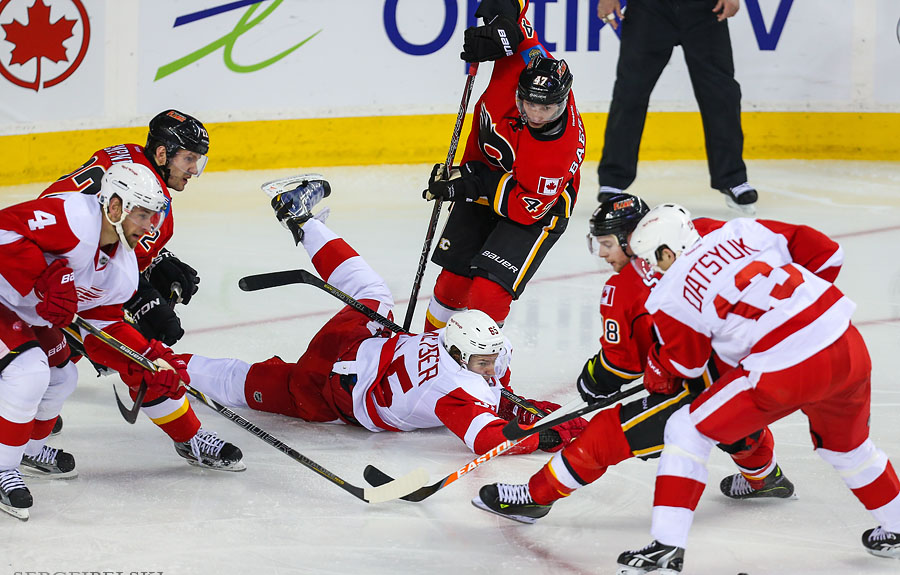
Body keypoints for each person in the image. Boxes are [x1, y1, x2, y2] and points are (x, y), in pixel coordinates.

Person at [180, 175, 586, 456]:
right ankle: (164, 365)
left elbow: (501, 400)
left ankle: (301, 220)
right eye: (482, 362)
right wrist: (546, 437)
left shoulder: (462, 347)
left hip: (351, 343)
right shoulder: (457, 391)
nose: (490, 368)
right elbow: (487, 438)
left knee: (372, 293)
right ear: (460, 356)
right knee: (242, 382)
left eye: (492, 358)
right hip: (326, 398)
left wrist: (555, 419)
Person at [613, 204, 900, 575]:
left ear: (667, 251)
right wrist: (794, 314)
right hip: (843, 340)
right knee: (848, 448)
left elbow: (686, 365)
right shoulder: (742, 230)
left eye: (650, 260)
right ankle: (897, 525)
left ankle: (664, 551)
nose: (649, 270)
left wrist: (657, 369)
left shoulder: (670, 293)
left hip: (784, 368)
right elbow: (830, 253)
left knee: (687, 428)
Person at [471, 195, 791, 525]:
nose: (604, 253)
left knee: (608, 433)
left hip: (703, 375)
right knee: (732, 420)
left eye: (608, 243)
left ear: (633, 238)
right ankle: (764, 478)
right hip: (763, 362)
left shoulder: (624, 288)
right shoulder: (704, 232)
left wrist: (593, 380)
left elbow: (621, 366)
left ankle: (534, 499)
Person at [0, 163, 238, 520]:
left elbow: (104, 325)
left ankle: (24, 450)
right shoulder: (73, 216)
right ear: (114, 207)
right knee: (29, 372)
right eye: (141, 214)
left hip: (26, 312)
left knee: (62, 377)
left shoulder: (122, 270)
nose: (148, 227)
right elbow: (4, 230)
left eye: (152, 217)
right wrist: (45, 276)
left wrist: (149, 357)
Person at [41, 109, 208, 438]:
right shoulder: (151, 200)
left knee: (65, 340)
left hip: (49, 248)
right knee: (123, 339)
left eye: (197, 160)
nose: (193, 170)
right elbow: (112, 258)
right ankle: (188, 436)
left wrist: (157, 259)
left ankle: (37, 402)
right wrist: (141, 296)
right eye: (189, 158)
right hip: (59, 272)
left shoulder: (124, 155)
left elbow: (106, 227)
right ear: (162, 153)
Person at [422, 0, 586, 331]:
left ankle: (489, 377)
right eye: (530, 105)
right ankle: (427, 357)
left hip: (537, 207)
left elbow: (524, 209)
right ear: (520, 90)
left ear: (564, 101)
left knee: (487, 293)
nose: (538, 117)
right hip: (486, 176)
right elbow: (515, 6)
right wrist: (505, 24)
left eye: (549, 109)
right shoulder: (526, 61)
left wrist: (467, 182)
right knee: (451, 284)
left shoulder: (556, 149)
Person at [595, 0, 757, 214]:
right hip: (648, 9)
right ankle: (613, 180)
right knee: (630, 92)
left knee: (721, 94)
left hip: (706, 9)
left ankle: (732, 178)